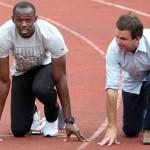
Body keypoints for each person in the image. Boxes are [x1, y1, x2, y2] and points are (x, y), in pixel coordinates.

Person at [0, 1, 87, 141]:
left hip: (45, 67)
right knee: (19, 130)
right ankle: (33, 112)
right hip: (22, 72)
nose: (23, 24)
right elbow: (3, 82)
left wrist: (69, 120)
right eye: (19, 20)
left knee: (41, 88)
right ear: (13, 19)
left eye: (28, 20)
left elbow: (61, 78)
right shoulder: (3, 35)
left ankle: (52, 117)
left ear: (35, 19)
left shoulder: (50, 34)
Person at [99, 12, 150, 145]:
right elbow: (111, 87)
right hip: (133, 79)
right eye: (117, 36)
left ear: (137, 38)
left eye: (123, 38)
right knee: (131, 131)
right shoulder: (113, 49)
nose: (118, 41)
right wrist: (111, 126)